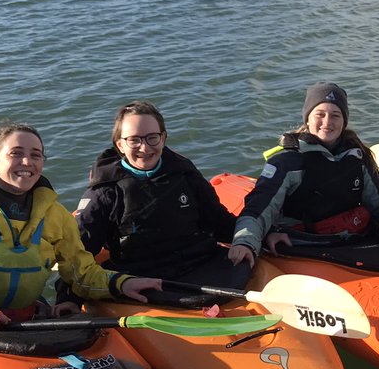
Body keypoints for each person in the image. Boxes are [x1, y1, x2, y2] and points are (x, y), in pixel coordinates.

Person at [0, 123, 160, 331]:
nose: (27, 162)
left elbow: (82, 275)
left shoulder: (56, 216)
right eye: (16, 154)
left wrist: (122, 284)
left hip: (24, 321)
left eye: (36, 155)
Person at [229, 82, 379, 272]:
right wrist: (245, 243)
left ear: (344, 121)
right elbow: (258, 210)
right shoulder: (288, 162)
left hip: (347, 241)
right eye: (320, 114)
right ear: (308, 119)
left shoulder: (356, 157)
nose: (328, 122)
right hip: (301, 246)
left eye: (335, 115)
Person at [73, 101, 248, 302]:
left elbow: (220, 223)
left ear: (163, 138)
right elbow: (80, 254)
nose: (145, 147)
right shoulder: (104, 192)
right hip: (141, 279)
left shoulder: (185, 175)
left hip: (201, 263)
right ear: (120, 144)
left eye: (152, 138)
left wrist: (254, 237)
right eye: (134, 140)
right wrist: (68, 298)